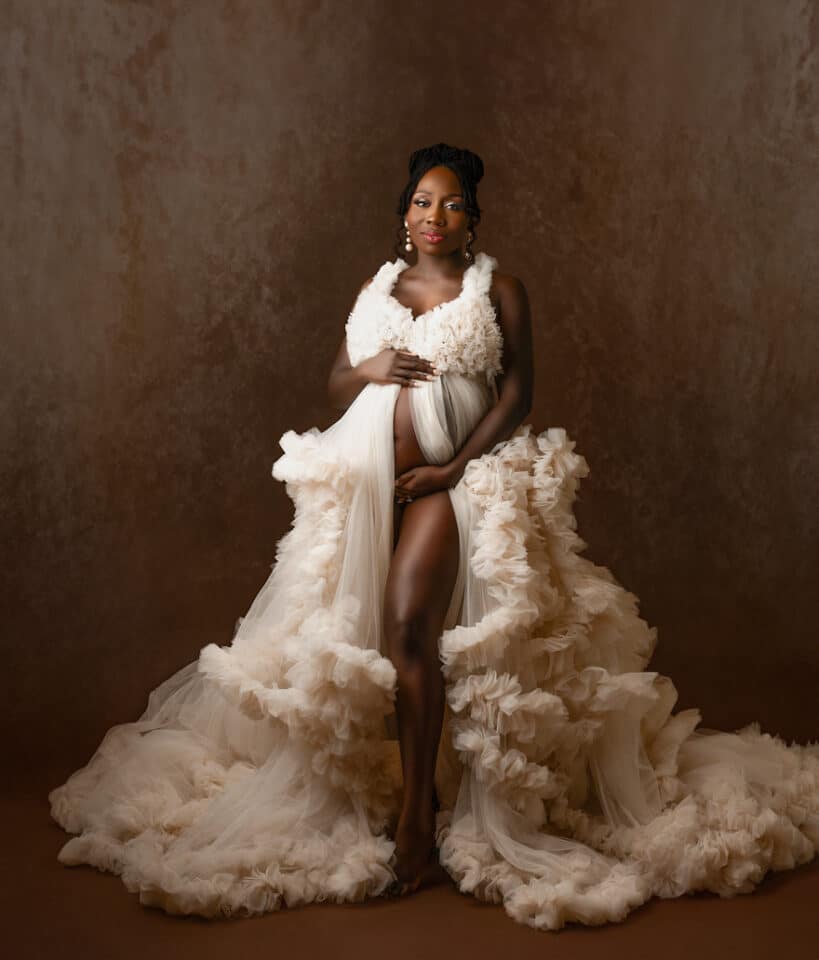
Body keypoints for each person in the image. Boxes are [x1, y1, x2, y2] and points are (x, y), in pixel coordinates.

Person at [49, 142, 819, 931]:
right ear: (404, 213)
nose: (433, 217)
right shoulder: (379, 285)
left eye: (450, 205)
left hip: (452, 483)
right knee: (361, 639)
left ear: (472, 219)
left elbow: (517, 392)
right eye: (421, 202)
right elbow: (337, 380)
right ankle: (400, 794)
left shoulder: (499, 290)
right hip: (366, 482)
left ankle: (418, 824)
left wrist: (453, 468)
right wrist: (372, 367)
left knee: (411, 626)